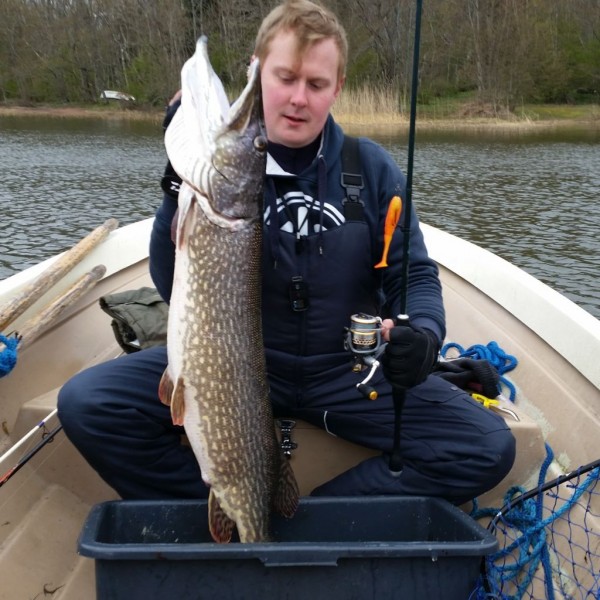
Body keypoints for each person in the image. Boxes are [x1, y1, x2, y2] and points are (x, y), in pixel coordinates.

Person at [57, 0, 515, 505]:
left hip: (348, 372)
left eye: (316, 84)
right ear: (256, 71)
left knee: (486, 446)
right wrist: (175, 182)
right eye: (286, 77)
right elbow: (172, 284)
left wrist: (424, 335)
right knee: (88, 403)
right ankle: (224, 510)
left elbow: (414, 274)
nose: (299, 98)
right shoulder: (214, 175)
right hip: (238, 368)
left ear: (337, 88)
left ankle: (318, 522)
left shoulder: (371, 168)